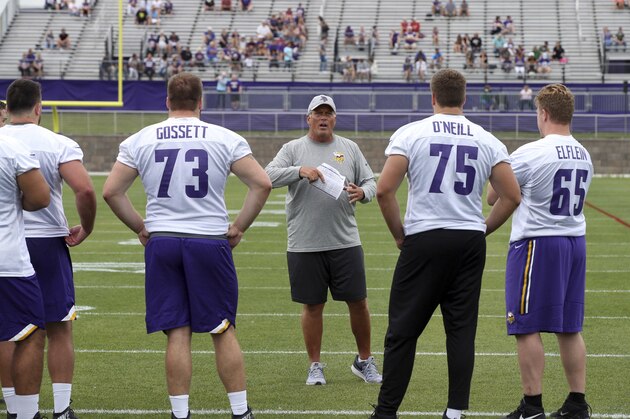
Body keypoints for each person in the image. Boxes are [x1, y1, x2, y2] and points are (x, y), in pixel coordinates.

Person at [102, 73, 271, 419]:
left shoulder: (141, 139)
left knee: (177, 332)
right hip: (208, 239)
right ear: (200, 102)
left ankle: (181, 414)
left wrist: (140, 226)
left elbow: (111, 191)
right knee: (222, 329)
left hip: (162, 239)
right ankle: (240, 412)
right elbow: (262, 184)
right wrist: (238, 226)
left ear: (167, 102)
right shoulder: (224, 137)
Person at [370, 68, 521, 419]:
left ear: (432, 96)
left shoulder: (412, 133)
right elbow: (511, 196)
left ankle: (386, 410)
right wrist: (480, 229)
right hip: (468, 241)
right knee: (461, 330)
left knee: (404, 329)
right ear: (464, 98)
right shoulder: (487, 138)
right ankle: (455, 412)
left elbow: (383, 189)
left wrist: (398, 233)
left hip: (426, 236)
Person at [487, 84, 593, 419]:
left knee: (526, 325)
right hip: (575, 241)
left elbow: (494, 196)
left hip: (538, 243)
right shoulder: (584, 153)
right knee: (569, 327)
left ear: (543, 113)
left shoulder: (531, 152)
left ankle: (532, 406)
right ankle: (577, 402)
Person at [264, 95, 382, 387]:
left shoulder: (349, 148)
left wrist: (363, 193)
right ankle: (315, 365)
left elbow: (371, 182)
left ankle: (364, 360)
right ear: (309, 118)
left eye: (328, 113)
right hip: (304, 242)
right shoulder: (292, 149)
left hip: (345, 240)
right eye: (318, 113)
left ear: (334, 118)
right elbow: (267, 176)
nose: (323, 118)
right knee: (313, 306)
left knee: (358, 302)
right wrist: (298, 171)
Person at [0, 78, 97, 419]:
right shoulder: (56, 142)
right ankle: (61, 408)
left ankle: (15, 407)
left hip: (7, 242)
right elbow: (84, 190)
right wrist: (86, 227)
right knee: (58, 327)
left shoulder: (3, 139)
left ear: (7, 109)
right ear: (39, 109)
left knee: (8, 330)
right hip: (45, 241)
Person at [0, 130, 50, 419]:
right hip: (7, 259)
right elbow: (40, 198)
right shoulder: (11, 147)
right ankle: (26, 413)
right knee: (29, 332)